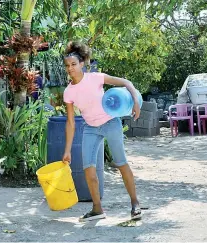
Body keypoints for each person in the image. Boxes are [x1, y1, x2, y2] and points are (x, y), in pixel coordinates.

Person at [61, 41, 142, 221]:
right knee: (88, 169)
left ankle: (135, 203)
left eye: (74, 64)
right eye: (67, 65)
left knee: (121, 163)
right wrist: (67, 150)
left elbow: (125, 82)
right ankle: (97, 209)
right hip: (90, 128)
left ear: (82, 64)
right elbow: (70, 122)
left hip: (110, 123)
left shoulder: (95, 78)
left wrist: (135, 101)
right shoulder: (69, 92)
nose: (70, 68)